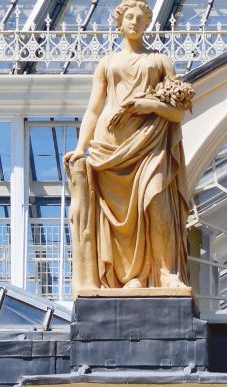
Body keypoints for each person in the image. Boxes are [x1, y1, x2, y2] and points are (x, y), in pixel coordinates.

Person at [64, 0, 193, 291]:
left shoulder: (160, 61)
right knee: (120, 219)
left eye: (140, 18)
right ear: (120, 24)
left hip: (151, 144)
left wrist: (150, 105)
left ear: (148, 24)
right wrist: (81, 148)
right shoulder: (107, 63)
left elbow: (177, 113)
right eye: (129, 17)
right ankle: (129, 277)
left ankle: (165, 273)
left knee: (156, 202)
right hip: (110, 147)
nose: (134, 22)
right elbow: (94, 109)